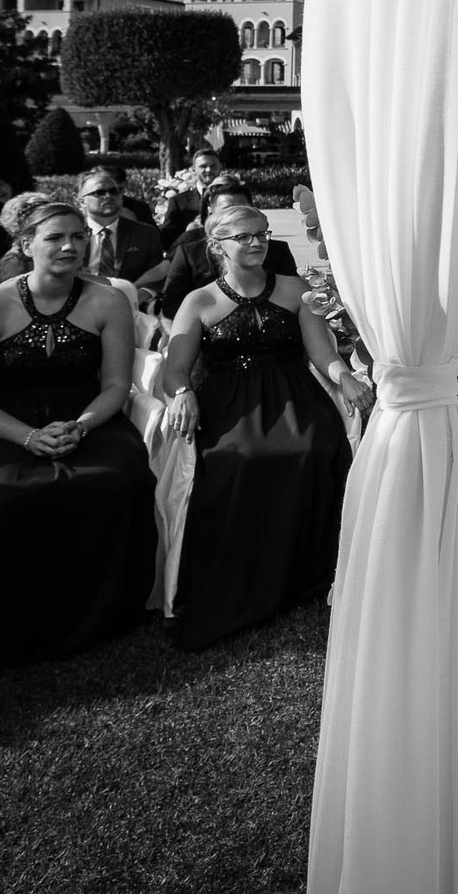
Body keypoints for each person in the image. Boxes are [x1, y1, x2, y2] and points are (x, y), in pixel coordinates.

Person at [0, 202, 157, 669]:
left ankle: (103, 612)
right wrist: (29, 438)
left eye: (77, 236)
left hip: (89, 417)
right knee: (2, 498)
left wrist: (82, 425)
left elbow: (115, 385)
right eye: (54, 237)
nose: (70, 246)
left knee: (120, 481)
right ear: (26, 244)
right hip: (4, 421)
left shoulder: (109, 300)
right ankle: (14, 618)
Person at [156, 203, 365, 650]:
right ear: (218, 246)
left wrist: (344, 375)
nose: (257, 242)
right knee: (238, 461)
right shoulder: (200, 301)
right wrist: (181, 393)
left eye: (263, 234)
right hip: (229, 403)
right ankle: (243, 576)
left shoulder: (295, 289)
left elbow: (320, 352)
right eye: (245, 236)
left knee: (317, 449)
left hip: (293, 395)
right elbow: (176, 370)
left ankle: (310, 570)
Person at [155, 179, 298, 320]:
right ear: (212, 212)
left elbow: (294, 297)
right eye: (227, 210)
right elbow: (171, 307)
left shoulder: (276, 250)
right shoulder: (189, 252)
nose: (235, 216)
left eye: (241, 209)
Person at [74, 166, 165, 289]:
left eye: (114, 191)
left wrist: (136, 297)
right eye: (99, 193)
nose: (108, 196)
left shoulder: (145, 233)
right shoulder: (70, 234)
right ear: (81, 201)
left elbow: (157, 277)